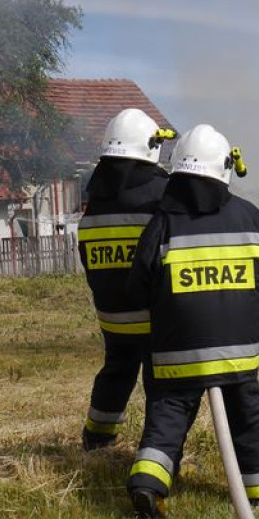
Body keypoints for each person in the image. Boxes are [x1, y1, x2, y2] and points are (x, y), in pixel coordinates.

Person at [125, 124, 259, 519]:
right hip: (239, 353)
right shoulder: (250, 215)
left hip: (179, 352)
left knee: (168, 415)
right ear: (225, 168)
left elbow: (138, 284)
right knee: (248, 416)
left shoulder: (162, 223)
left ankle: (148, 483)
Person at [78, 109, 175, 450]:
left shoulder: (95, 201)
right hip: (154, 316)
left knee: (116, 371)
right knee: (160, 383)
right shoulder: (163, 194)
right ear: (151, 147)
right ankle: (155, 453)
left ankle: (96, 438)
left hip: (113, 316)